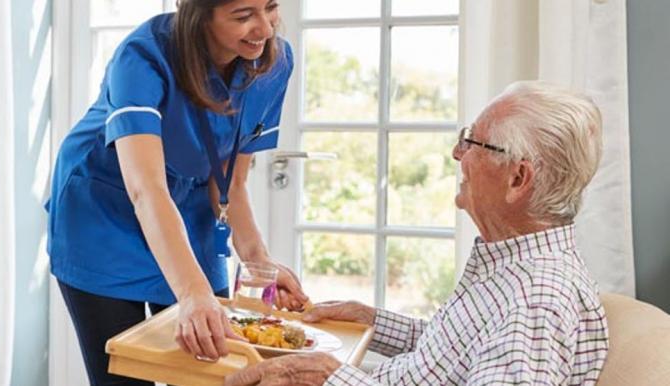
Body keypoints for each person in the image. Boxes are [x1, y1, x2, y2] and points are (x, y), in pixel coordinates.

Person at [225, 81, 610, 386]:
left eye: (472, 141)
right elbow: (455, 354)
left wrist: (326, 377)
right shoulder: (517, 268)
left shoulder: (535, 302)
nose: (457, 154)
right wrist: (371, 319)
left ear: (518, 178)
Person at [44, 1, 307, 384]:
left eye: (270, 7)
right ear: (199, 13)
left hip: (189, 203)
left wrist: (258, 263)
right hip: (106, 211)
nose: (265, 29)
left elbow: (230, 179)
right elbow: (146, 189)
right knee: (124, 373)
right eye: (243, 15)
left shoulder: (273, 62)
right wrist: (192, 292)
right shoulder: (143, 55)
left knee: (216, 371)